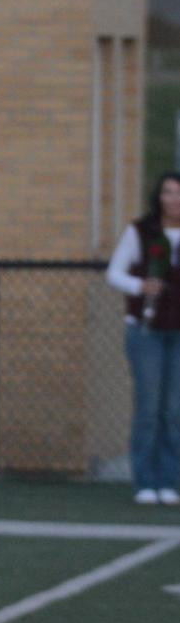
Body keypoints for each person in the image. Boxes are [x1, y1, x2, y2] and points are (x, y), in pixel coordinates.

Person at [105, 171, 180, 506]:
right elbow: (114, 273)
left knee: (174, 408)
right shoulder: (141, 231)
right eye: (168, 192)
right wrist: (141, 287)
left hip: (177, 330)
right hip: (146, 331)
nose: (173, 200)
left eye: (179, 194)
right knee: (149, 407)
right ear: (159, 196)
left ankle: (169, 480)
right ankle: (145, 481)